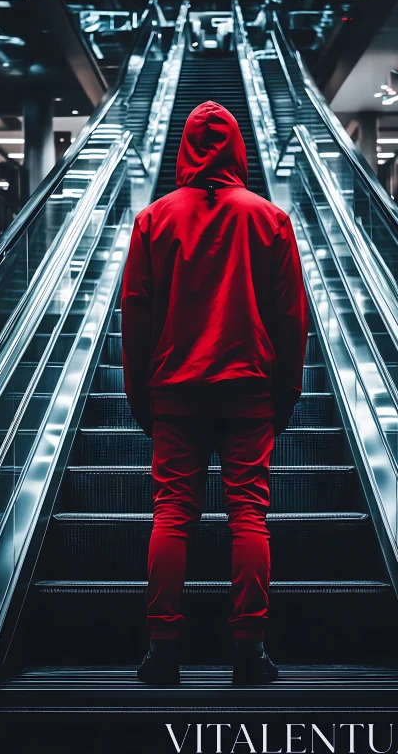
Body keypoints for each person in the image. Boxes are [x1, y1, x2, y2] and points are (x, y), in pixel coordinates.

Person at [121, 100, 308, 686]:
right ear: (236, 149)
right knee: (249, 515)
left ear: (184, 147)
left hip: (174, 391)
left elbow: (135, 314)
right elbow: (291, 317)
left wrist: (139, 394)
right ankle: (249, 652)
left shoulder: (154, 219)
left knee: (171, 514)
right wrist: (286, 393)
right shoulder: (269, 219)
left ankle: (163, 652)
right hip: (249, 389)